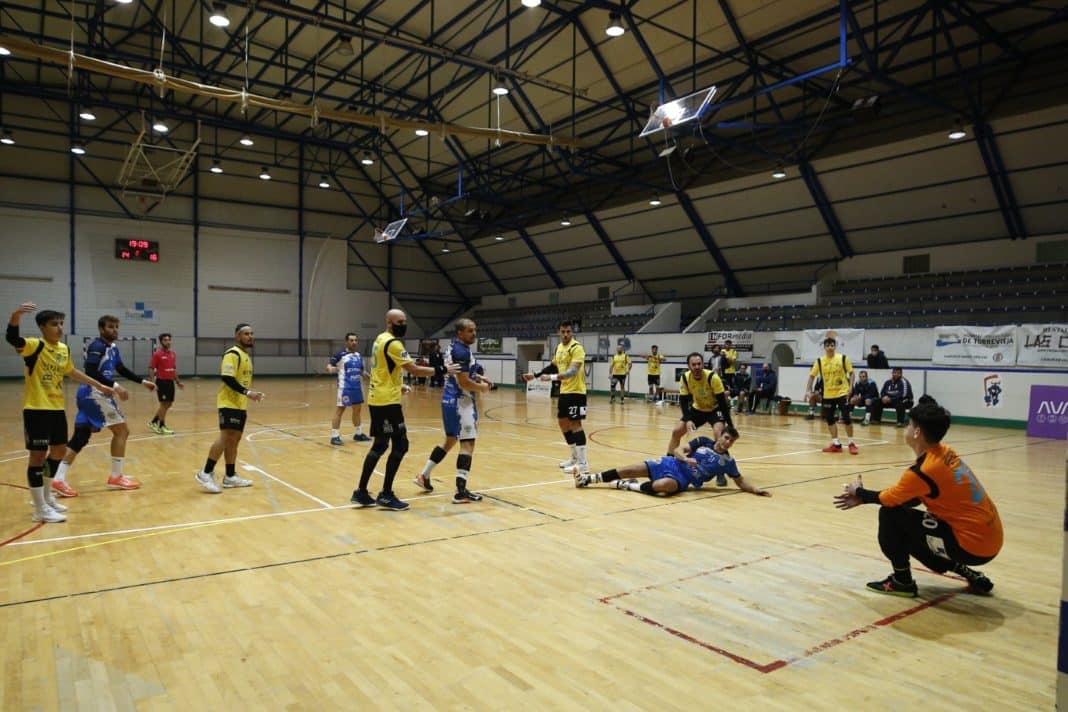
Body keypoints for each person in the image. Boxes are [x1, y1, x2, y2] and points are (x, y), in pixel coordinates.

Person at [833, 396, 1001, 597]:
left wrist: (859, 492)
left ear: (917, 432)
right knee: (908, 524)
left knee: (890, 517)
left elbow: (890, 499)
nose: (906, 429)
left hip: (972, 547)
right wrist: (868, 498)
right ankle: (967, 572)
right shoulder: (945, 452)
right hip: (990, 537)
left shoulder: (924, 470)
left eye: (908, 425)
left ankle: (902, 581)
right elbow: (912, 497)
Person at [6, 302, 115, 522]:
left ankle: (47, 497)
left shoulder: (63, 349)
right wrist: (15, 315)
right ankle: (39, 508)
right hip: (36, 409)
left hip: (57, 409)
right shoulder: (34, 346)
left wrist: (99, 385)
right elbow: (13, 339)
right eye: (54, 324)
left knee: (57, 452)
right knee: (37, 456)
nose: (59, 328)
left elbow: (71, 371)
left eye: (61, 323)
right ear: (43, 327)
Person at [351, 309, 450, 510]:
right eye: (400, 321)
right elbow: (413, 369)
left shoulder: (380, 339)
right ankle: (385, 494)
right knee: (400, 445)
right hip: (387, 403)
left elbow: (382, 369)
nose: (403, 324)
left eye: (405, 321)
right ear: (389, 322)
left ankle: (361, 492)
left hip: (380, 398)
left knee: (380, 445)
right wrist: (444, 369)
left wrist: (398, 385)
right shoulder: (394, 344)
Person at [51, 315, 156, 497]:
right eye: (110, 327)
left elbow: (121, 369)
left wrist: (143, 381)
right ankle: (116, 477)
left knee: (81, 437)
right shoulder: (97, 346)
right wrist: (115, 386)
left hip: (90, 395)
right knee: (122, 431)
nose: (114, 330)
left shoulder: (113, 348)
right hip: (95, 394)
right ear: (101, 329)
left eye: (116, 326)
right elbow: (90, 370)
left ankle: (58, 478)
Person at [413, 318, 494, 503]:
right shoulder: (461, 351)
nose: (474, 333)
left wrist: (481, 376)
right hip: (460, 401)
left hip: (449, 399)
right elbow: (464, 382)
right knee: (468, 443)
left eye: (475, 330)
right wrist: (482, 387)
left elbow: (461, 371)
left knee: (450, 441)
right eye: (470, 331)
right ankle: (460, 492)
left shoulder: (454, 347)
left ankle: (423, 476)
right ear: (460, 333)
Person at [570, 426, 769, 496]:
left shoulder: (728, 462)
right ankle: (588, 479)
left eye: (732, 441)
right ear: (720, 436)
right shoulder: (703, 442)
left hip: (682, 480)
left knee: (664, 486)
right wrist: (685, 458)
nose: (728, 442)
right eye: (726, 438)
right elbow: (678, 449)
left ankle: (627, 487)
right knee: (630, 469)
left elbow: (740, 481)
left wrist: (755, 489)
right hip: (672, 463)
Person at [195, 323, 265, 493]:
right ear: (237, 336)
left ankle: (230, 476)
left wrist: (247, 395)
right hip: (228, 403)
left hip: (240, 404)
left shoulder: (246, 356)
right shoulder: (232, 354)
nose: (250, 336)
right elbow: (227, 378)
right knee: (226, 437)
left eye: (252, 333)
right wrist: (247, 392)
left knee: (235, 439)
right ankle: (205, 472)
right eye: (246, 334)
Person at [523, 320, 590, 473]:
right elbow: (553, 365)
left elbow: (572, 371)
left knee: (575, 424)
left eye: (568, 332)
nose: (565, 334)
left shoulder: (577, 348)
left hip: (577, 392)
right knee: (562, 423)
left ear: (572, 332)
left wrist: (552, 378)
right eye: (563, 331)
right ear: (559, 332)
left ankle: (583, 463)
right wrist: (535, 375)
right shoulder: (559, 347)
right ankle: (574, 457)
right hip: (565, 392)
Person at [666, 352, 732, 455]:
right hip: (698, 409)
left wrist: (730, 425)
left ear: (703, 364)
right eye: (694, 364)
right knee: (676, 431)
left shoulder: (713, 377)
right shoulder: (685, 378)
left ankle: (723, 463)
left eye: (699, 364)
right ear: (689, 366)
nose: (697, 367)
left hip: (715, 410)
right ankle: (669, 461)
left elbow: (723, 403)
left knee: (718, 434)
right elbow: (683, 402)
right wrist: (688, 420)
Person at [805, 336, 858, 454]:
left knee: (846, 418)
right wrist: (808, 390)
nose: (830, 347)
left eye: (832, 345)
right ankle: (836, 444)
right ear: (824, 347)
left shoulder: (843, 358)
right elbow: (812, 376)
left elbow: (852, 373)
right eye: (827, 345)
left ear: (835, 346)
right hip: (828, 395)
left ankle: (851, 443)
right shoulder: (819, 361)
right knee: (829, 419)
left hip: (842, 393)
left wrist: (850, 388)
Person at [326, 332, 370, 445]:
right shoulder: (340, 355)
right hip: (345, 388)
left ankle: (358, 434)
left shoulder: (359, 356)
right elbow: (330, 365)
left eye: (355, 340)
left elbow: (361, 371)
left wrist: (369, 376)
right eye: (351, 340)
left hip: (357, 388)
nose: (354, 342)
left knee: (357, 410)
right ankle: (334, 436)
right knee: (340, 410)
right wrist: (330, 368)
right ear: (346, 341)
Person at [147, 332, 183, 435]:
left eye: (169, 340)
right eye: (165, 340)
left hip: (170, 382)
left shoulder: (172, 354)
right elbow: (151, 368)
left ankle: (153, 422)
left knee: (169, 403)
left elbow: (173, 369)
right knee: (164, 404)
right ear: (161, 342)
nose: (168, 342)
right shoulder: (157, 354)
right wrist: (153, 382)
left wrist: (178, 381)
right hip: (161, 382)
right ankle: (161, 426)